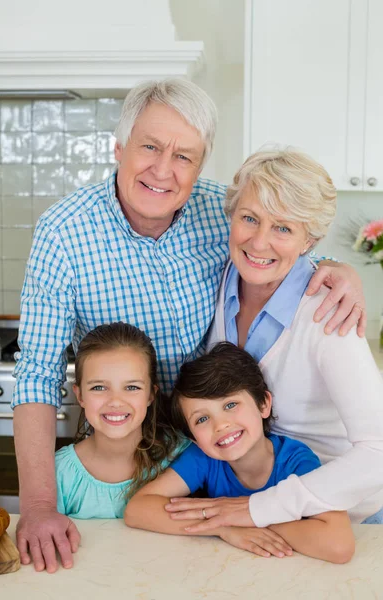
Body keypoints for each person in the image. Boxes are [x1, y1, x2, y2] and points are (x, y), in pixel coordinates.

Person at [12, 79, 366, 573]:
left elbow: (273, 244)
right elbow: (37, 375)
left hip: (216, 441)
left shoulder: (218, 209)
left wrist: (339, 268)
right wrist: (38, 507)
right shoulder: (65, 232)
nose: (163, 170)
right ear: (119, 148)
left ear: (201, 167)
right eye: (150, 147)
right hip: (128, 443)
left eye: (184, 156)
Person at [161, 148, 383, 533]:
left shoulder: (329, 314)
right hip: (264, 515)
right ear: (231, 217)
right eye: (249, 218)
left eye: (283, 228)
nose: (259, 242)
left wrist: (259, 508)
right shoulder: (219, 280)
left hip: (350, 521)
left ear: (309, 238)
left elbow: (378, 453)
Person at [124, 343, 355, 564]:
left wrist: (251, 519)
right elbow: (138, 509)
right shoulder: (203, 458)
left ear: (264, 404)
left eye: (230, 405)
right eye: (202, 419)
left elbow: (338, 545)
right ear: (194, 438)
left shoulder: (295, 460)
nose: (220, 425)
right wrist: (224, 527)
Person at [55, 321, 180, 519]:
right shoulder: (59, 472)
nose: (115, 402)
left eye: (132, 387)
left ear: (150, 395)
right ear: (79, 396)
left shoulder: (180, 457)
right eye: (98, 387)